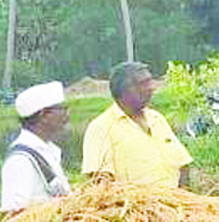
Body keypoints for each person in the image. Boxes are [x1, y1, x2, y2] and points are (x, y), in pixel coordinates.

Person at [82, 62, 192, 190]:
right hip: (134, 207)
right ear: (125, 90)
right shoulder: (101, 128)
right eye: (143, 83)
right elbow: (100, 182)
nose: (151, 88)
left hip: (176, 205)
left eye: (150, 82)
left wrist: (185, 199)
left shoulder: (157, 119)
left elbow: (183, 164)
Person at [0, 81, 71, 213]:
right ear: (43, 115)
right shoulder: (20, 161)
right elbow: (13, 216)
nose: (67, 116)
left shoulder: (47, 150)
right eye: (62, 109)